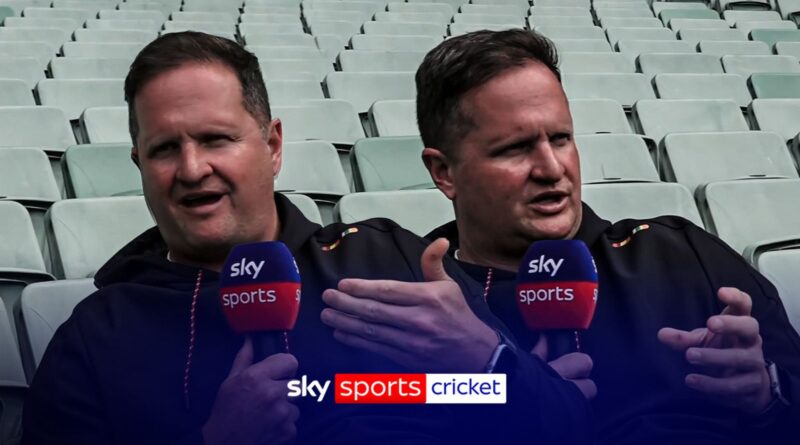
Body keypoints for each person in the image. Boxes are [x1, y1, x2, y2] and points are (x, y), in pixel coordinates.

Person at [22, 32, 591, 445]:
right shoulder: (97, 335)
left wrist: (488, 365)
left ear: (272, 146)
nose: (192, 169)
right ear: (139, 166)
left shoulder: (391, 257)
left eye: (216, 139)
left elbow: (561, 422)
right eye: (165, 149)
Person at [416, 29, 800, 444]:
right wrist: (493, 386)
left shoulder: (681, 252)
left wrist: (767, 392)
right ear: (444, 172)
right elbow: (364, 393)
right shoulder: (412, 291)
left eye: (561, 139)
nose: (552, 168)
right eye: (514, 148)